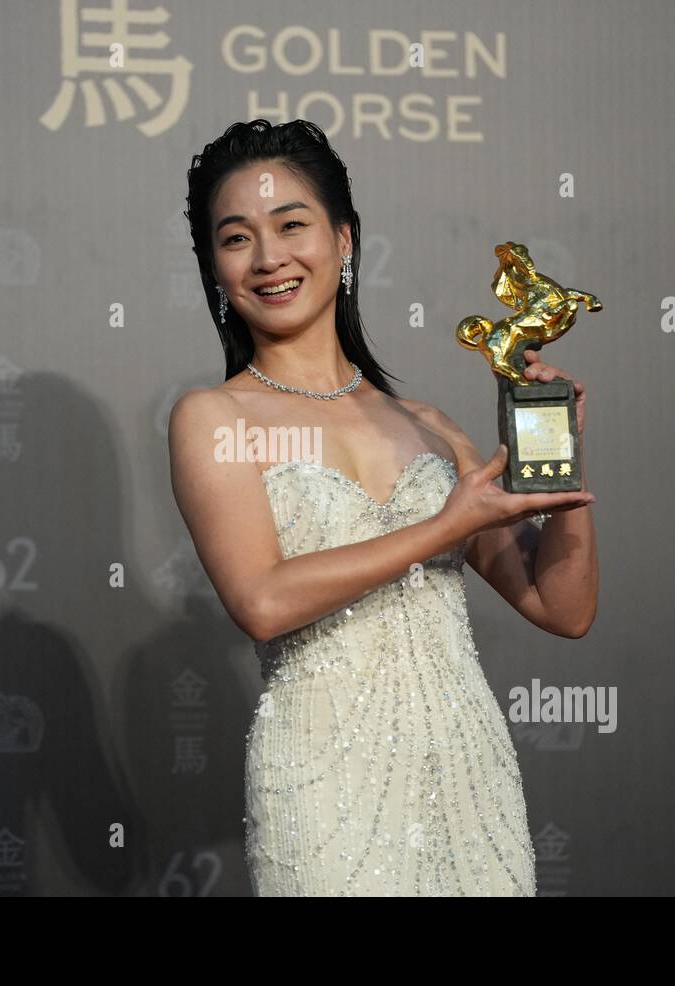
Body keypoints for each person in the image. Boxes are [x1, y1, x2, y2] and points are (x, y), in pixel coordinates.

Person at [168, 119, 599, 896]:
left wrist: (562, 467)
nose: (269, 258)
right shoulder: (214, 418)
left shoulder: (429, 427)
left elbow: (561, 608)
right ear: (214, 269)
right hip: (323, 787)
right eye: (236, 239)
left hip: (471, 780)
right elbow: (262, 601)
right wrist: (445, 526)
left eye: (292, 225)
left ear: (344, 241)